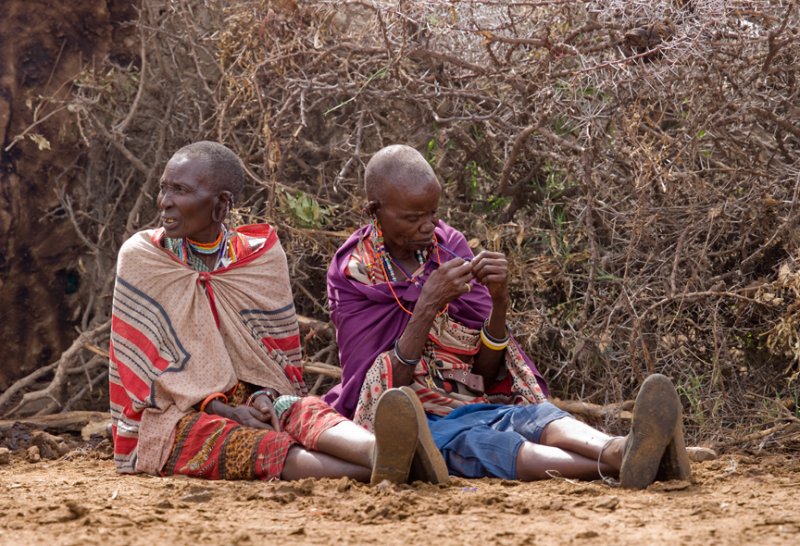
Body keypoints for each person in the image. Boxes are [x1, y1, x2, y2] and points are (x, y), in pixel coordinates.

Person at [324, 144, 692, 488]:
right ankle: (629, 460)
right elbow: (380, 394)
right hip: (419, 422)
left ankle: (618, 447)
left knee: (538, 418)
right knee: (490, 446)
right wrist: (426, 307)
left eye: (434, 213)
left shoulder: (449, 247)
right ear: (374, 212)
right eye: (413, 217)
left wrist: (499, 302)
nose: (429, 226)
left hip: (474, 403)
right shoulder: (355, 274)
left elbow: (485, 374)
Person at [108, 141, 447, 485]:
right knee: (249, 443)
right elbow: (145, 372)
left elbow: (272, 359)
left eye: (179, 190)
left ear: (222, 204)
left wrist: (265, 396)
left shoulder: (260, 258)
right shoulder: (144, 258)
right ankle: (390, 462)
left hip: (254, 398)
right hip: (175, 414)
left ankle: (379, 449)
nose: (165, 201)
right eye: (164, 188)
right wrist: (221, 407)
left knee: (300, 409)